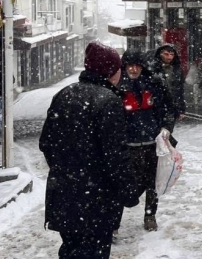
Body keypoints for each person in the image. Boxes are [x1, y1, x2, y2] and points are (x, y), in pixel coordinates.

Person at [39, 42, 139, 259]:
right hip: (96, 201)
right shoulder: (108, 101)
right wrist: (128, 190)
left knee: (70, 251)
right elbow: (116, 156)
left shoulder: (64, 95)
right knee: (93, 252)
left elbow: (46, 143)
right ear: (110, 70)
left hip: (64, 196)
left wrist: (66, 168)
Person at [115, 49, 174, 232]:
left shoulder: (153, 84)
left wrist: (166, 128)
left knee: (152, 182)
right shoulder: (115, 87)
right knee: (121, 184)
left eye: (137, 66)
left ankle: (150, 215)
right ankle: (114, 222)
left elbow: (167, 109)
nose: (134, 69)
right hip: (127, 147)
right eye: (130, 66)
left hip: (151, 144)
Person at [151, 44, 186, 123]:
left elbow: (180, 90)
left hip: (171, 107)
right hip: (156, 106)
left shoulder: (177, 70)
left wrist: (181, 109)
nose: (169, 57)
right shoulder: (153, 69)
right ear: (160, 54)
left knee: (167, 131)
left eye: (171, 55)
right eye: (166, 54)